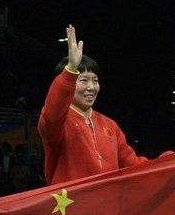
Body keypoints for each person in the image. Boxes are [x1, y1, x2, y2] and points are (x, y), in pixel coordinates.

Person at [39, 25, 149, 184]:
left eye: (95, 81)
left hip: (106, 206)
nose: (91, 87)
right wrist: (70, 69)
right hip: (72, 207)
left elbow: (135, 166)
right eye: (83, 80)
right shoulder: (56, 124)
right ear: (68, 83)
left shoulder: (110, 125)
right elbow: (52, 114)